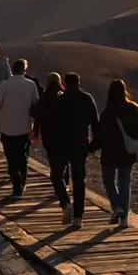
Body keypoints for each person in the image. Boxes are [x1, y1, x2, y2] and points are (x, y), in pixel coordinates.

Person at [42, 71, 99, 220]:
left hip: (61, 144)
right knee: (79, 180)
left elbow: (51, 124)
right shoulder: (87, 99)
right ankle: (78, 217)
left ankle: (66, 204)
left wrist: (50, 143)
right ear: (79, 82)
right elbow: (95, 123)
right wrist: (94, 144)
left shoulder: (59, 100)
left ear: (65, 84)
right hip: (80, 144)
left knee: (56, 175)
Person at [97, 76, 138, 224]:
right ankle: (124, 218)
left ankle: (116, 206)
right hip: (127, 153)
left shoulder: (107, 112)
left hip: (110, 153)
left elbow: (100, 134)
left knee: (108, 180)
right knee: (125, 183)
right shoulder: (133, 109)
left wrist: (92, 147)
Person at [0, 57, 41, 200]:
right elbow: (35, 105)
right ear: (24, 70)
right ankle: (22, 182)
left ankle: (16, 185)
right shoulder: (31, 85)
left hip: (6, 127)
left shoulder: (4, 85)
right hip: (24, 126)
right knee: (22, 156)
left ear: (12, 69)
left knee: (11, 157)